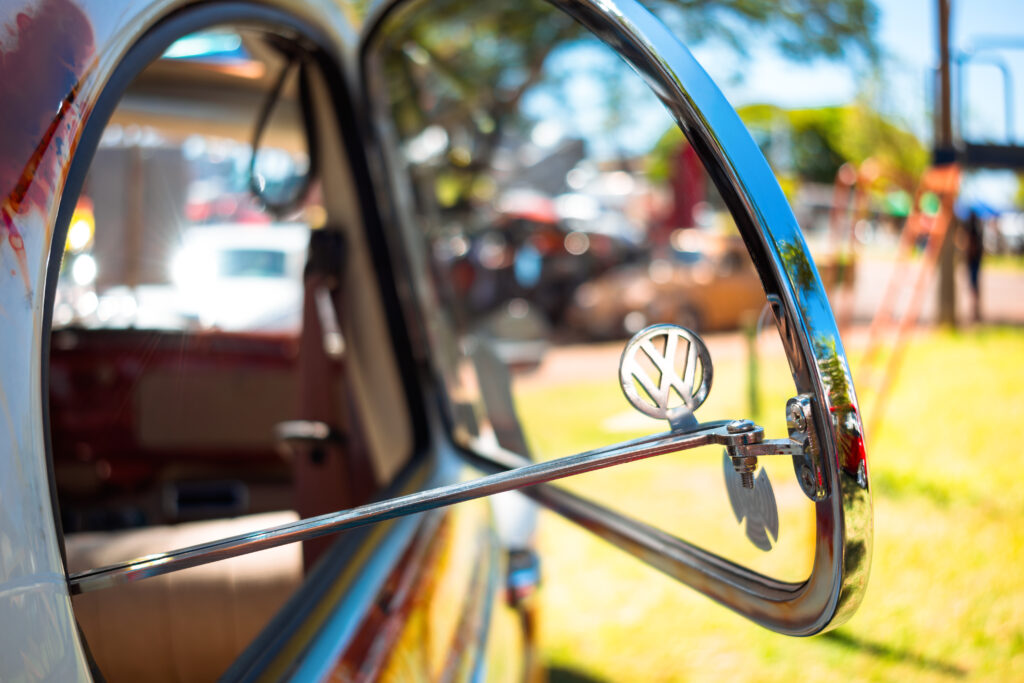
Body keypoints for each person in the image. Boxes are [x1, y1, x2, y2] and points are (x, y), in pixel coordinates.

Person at [964, 209, 984, 322]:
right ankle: (975, 311)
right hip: (974, 260)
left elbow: (972, 246)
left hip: (974, 260)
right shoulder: (976, 228)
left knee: (973, 285)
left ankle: (975, 311)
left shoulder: (973, 230)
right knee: (973, 285)